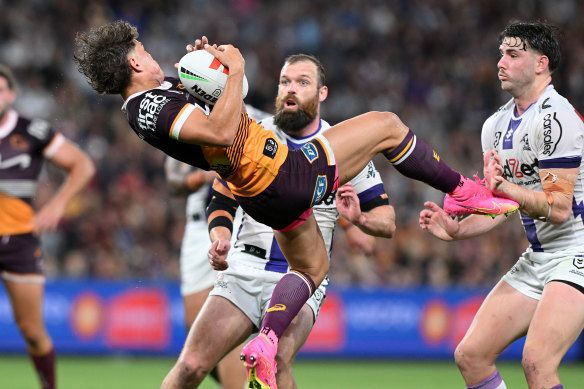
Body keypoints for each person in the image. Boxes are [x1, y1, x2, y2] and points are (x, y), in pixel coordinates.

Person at [73, 20, 519, 389]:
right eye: (145, 51)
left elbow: (216, 104)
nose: (153, 56)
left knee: (310, 269)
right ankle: (463, 190)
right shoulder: (149, 107)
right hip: (281, 171)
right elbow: (223, 133)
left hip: (261, 193)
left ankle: (266, 340)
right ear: (134, 61)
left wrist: (206, 68)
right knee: (386, 124)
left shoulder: (154, 99)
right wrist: (234, 69)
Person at [161, 53, 395, 389]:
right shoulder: (253, 134)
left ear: (321, 93)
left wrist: (359, 219)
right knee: (190, 366)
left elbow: (386, 223)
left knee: (275, 360)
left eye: (303, 82)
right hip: (243, 270)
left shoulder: (345, 145)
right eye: (285, 81)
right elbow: (221, 194)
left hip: (298, 280)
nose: (291, 89)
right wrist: (220, 235)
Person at [419, 22, 584, 389]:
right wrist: (458, 229)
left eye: (513, 54)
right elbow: (502, 205)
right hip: (538, 255)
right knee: (471, 356)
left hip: (576, 250)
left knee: (537, 364)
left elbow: (558, 209)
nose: (500, 62)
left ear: (541, 63)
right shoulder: (494, 125)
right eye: (500, 53)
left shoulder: (556, 119)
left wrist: (505, 186)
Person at [163, 102, 271, 388]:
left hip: (240, 222)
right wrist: (203, 175)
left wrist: (227, 169)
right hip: (199, 225)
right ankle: (248, 378)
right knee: (196, 330)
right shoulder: (189, 116)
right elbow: (173, 181)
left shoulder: (258, 118)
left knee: (228, 318)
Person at [0, 64, 95, 389]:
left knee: (32, 330)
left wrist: (57, 204)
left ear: (11, 95)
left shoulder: (32, 131)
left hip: (19, 241)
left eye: (0, 89)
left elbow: (82, 165)